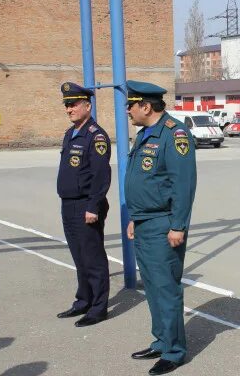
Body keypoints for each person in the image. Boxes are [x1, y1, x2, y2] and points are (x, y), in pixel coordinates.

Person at [123, 80, 196, 375]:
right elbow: (145, 182)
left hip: (164, 223)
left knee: (166, 288)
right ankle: (161, 340)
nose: (128, 110)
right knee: (152, 287)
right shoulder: (145, 135)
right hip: (145, 221)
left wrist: (178, 225)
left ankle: (174, 351)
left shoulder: (174, 134)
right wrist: (134, 218)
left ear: (146, 106)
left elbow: (183, 184)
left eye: (131, 105)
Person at [56, 82, 111, 327]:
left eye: (73, 104)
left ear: (87, 106)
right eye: (66, 105)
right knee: (79, 257)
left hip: (86, 206)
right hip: (69, 205)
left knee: (93, 258)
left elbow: (100, 176)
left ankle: (99, 308)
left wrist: (93, 206)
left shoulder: (95, 136)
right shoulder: (71, 133)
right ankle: (83, 301)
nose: (69, 109)